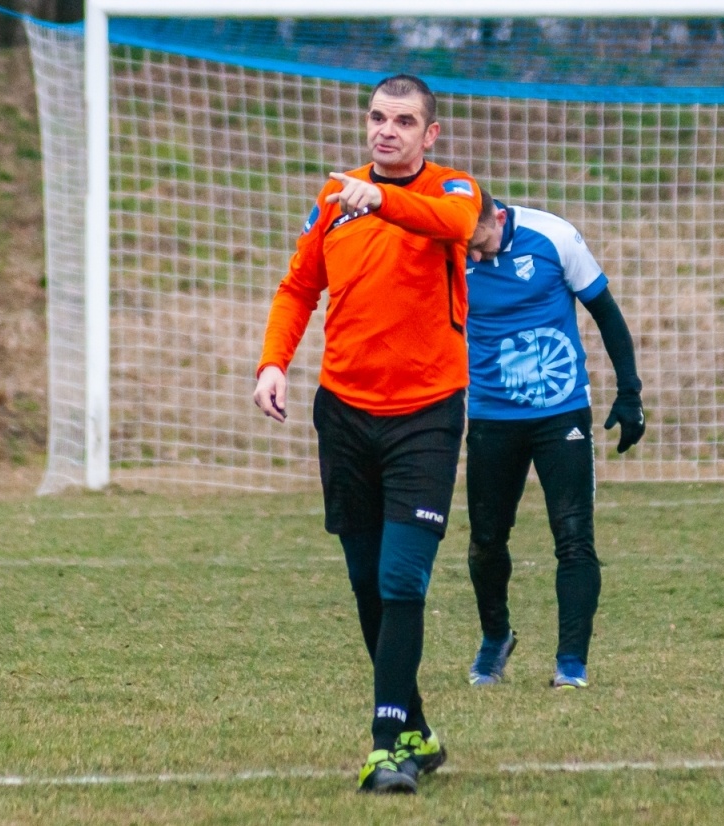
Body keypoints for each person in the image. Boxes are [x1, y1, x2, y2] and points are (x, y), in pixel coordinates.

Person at [253, 75, 480, 796]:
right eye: (378, 118)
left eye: (404, 121)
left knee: (401, 577)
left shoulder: (453, 190)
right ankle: (414, 723)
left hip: (427, 416)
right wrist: (272, 363)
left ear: (429, 134)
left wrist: (380, 197)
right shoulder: (333, 200)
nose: (387, 130)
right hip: (345, 414)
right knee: (364, 583)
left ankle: (388, 747)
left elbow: (456, 229)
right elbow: (298, 288)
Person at [461, 193, 645, 690]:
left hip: (561, 412)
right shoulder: (447, 249)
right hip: (490, 415)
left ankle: (571, 663)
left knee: (574, 538)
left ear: (498, 218)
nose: (474, 256)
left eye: (479, 243)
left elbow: (606, 312)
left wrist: (629, 392)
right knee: (485, 541)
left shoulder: (555, 237)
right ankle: (495, 638)